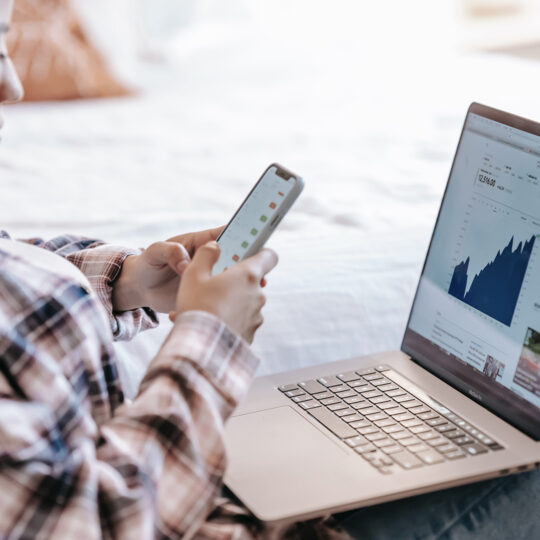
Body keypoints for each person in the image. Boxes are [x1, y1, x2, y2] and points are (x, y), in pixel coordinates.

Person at [0, 1, 538, 538]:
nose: (14, 85)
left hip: (179, 486)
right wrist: (211, 341)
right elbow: (93, 525)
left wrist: (123, 280)